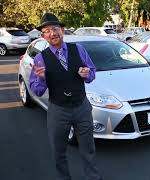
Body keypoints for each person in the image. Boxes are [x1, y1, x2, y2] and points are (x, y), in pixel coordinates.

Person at [29, 13, 103, 180]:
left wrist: (86, 73)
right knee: (58, 151)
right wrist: (40, 78)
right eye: (47, 31)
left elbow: (91, 74)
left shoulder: (79, 49)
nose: (52, 33)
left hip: (82, 107)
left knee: (88, 149)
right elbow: (37, 91)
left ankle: (93, 178)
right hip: (58, 110)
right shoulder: (41, 58)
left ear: (62, 31)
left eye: (55, 29)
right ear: (43, 36)